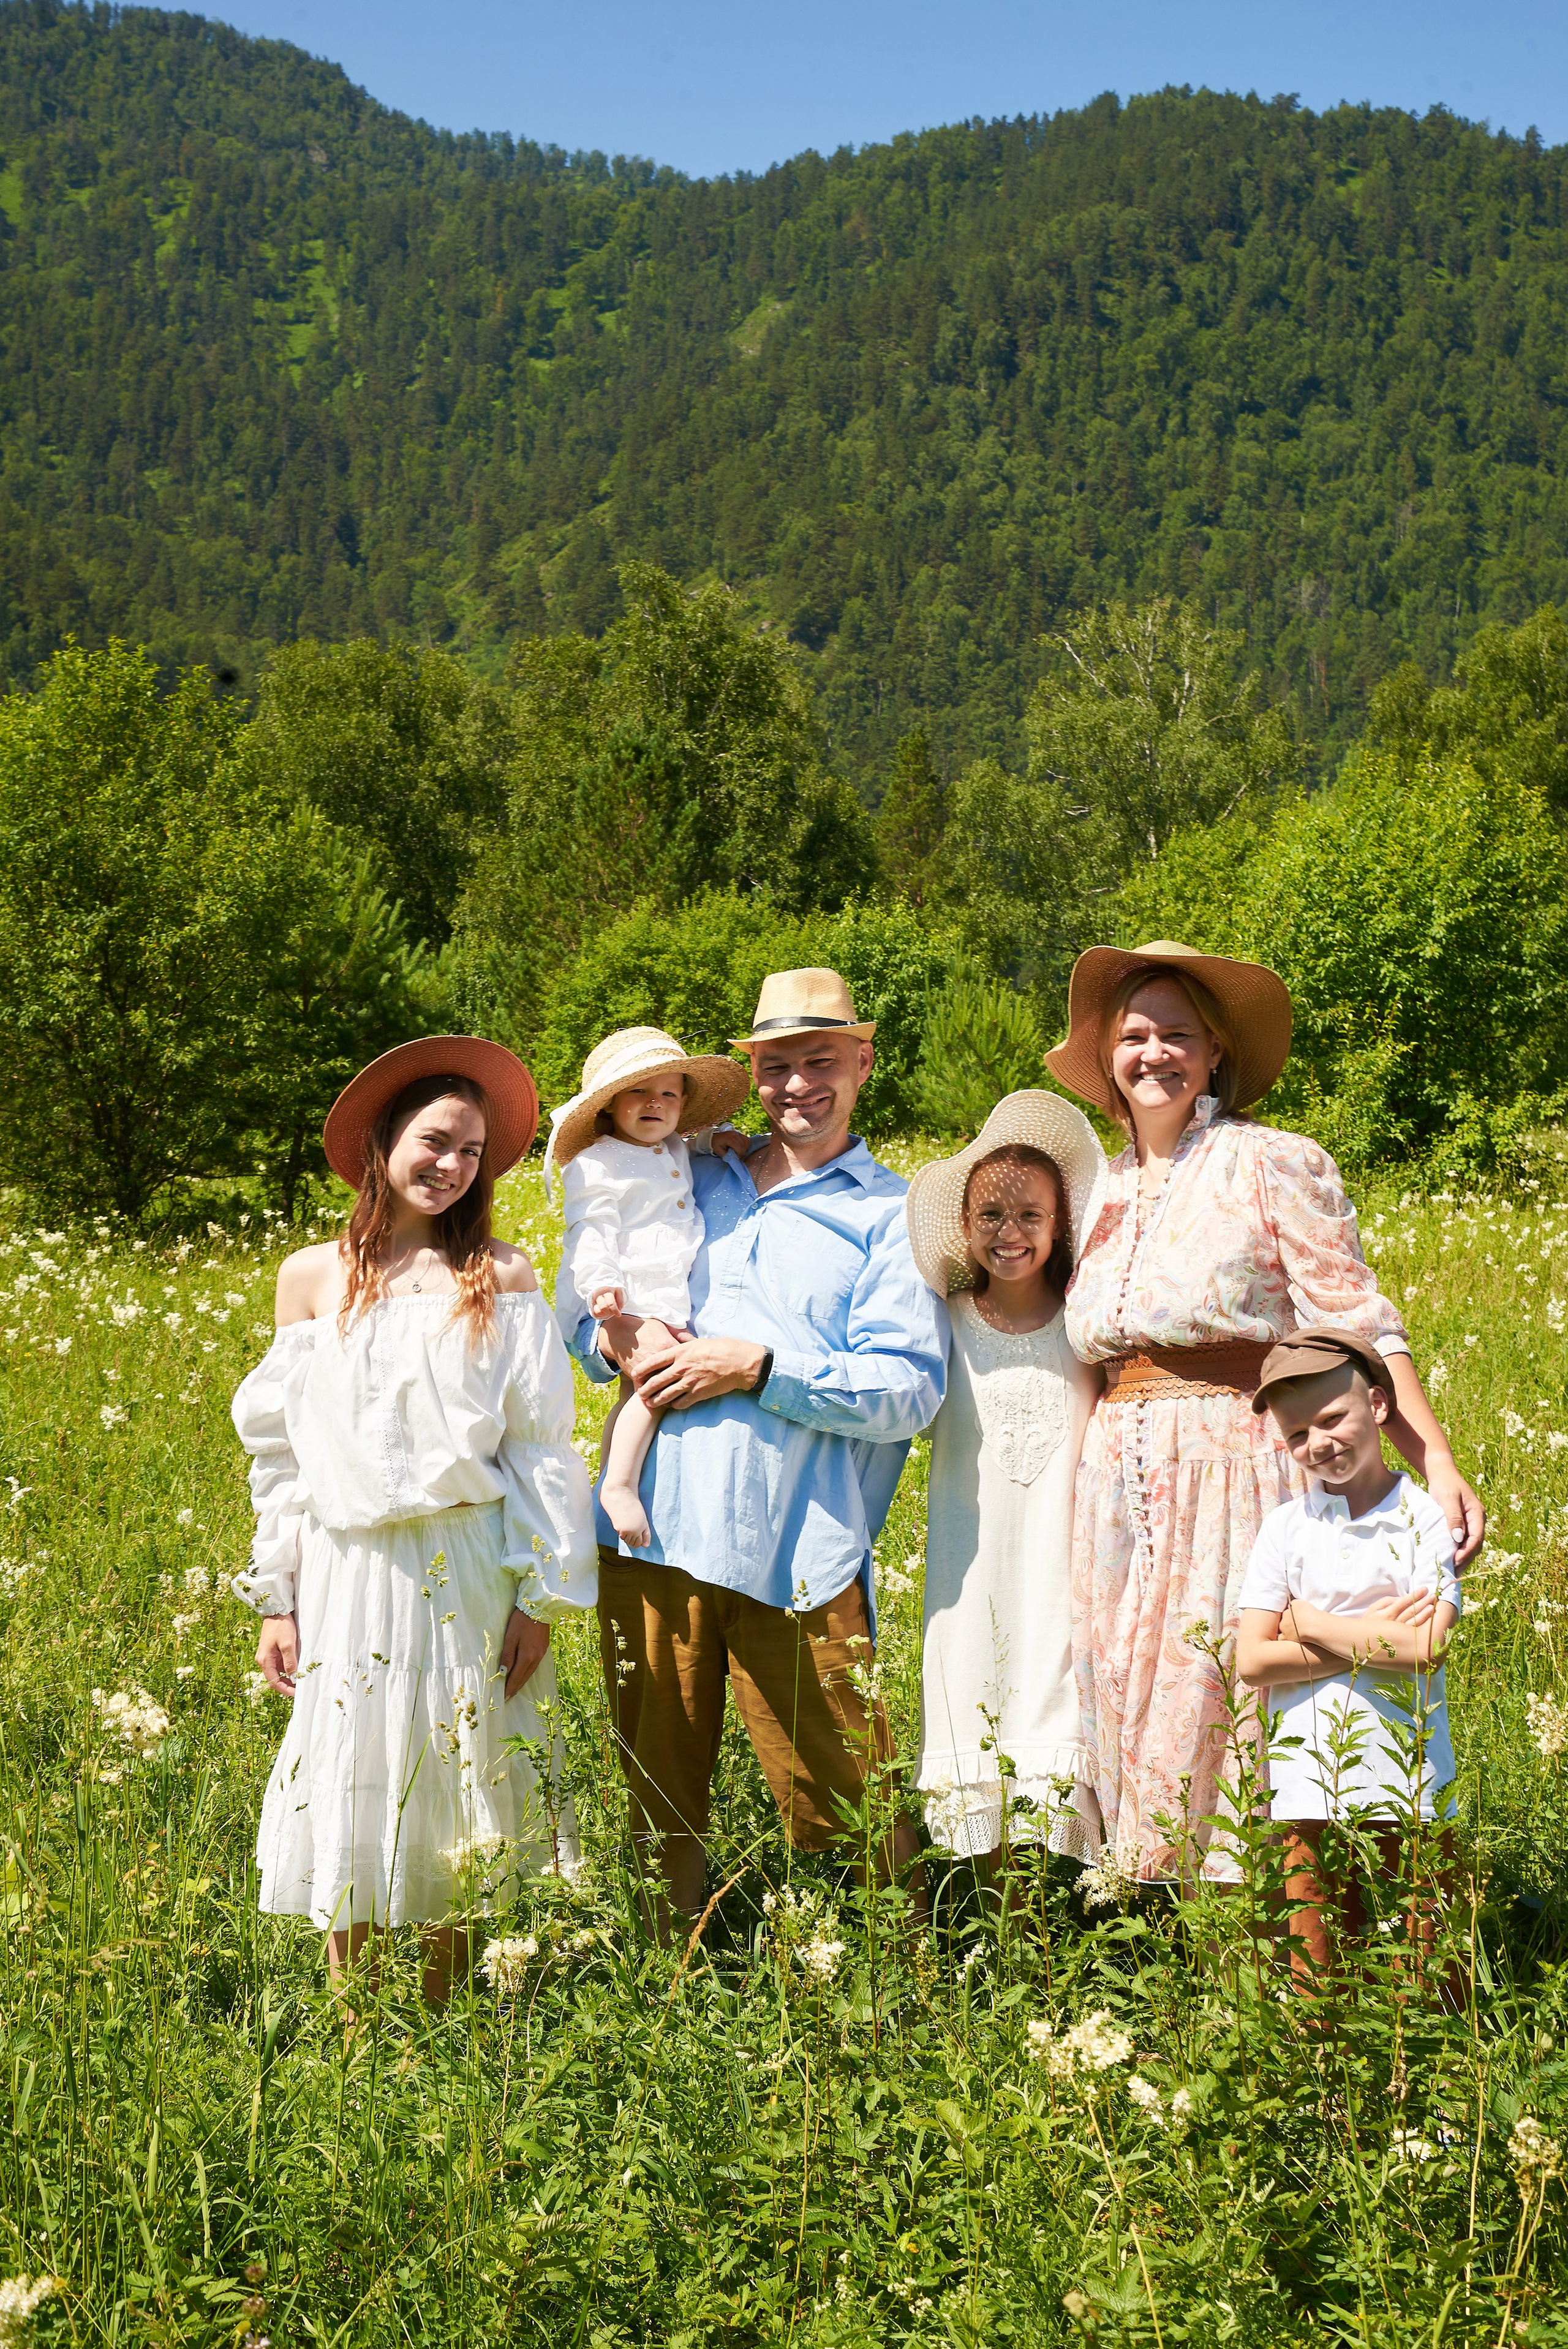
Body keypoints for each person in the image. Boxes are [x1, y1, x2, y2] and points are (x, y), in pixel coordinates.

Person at [1047, 940, 1482, 1885]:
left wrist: (1436, 1460)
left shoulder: (1273, 1161)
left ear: (1213, 1054)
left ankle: (1270, 1924)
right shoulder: (1095, 1188)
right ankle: (1153, 1915)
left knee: (1226, 1692)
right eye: (1133, 1036)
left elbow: (1358, 1324)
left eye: (1177, 1034)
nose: (1153, 1052)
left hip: (1236, 1459)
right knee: (1125, 1678)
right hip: (1115, 1477)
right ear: (1109, 1061)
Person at [562, 968, 949, 1930]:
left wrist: (762, 1366)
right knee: (658, 1788)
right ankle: (663, 1984)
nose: (796, 1084)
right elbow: (583, 1305)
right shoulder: (695, 1171)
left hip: (798, 1550)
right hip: (651, 1533)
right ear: (751, 1073)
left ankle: (902, 1985)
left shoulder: (892, 1214)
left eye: (821, 1060)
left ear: (864, 1061)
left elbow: (909, 1390)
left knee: (850, 1789)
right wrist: (606, 1337)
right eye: (776, 1065)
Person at [232, 1037, 598, 2003]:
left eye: (473, 1150)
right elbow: (282, 1457)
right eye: (437, 1140)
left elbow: (539, 1448)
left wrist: (543, 1593)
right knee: (351, 1768)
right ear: (385, 1141)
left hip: (469, 1564)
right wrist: (279, 1597)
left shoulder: (502, 1273)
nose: (453, 1164)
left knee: (459, 1773)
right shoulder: (310, 1277)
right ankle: (355, 2020)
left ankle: (444, 2011)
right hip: (349, 1569)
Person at [904, 1093, 1107, 1870]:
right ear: (963, 1225)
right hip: (969, 1566)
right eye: (989, 1215)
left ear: (1058, 1226)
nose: (1010, 1233)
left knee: (1052, 1715)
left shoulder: (1086, 1325)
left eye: (1030, 1215)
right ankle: (991, 1927)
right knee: (973, 1704)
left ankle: (1038, 1926)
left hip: (1061, 1565)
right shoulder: (943, 1318)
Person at [1236, 1329, 1460, 1985]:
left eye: (1333, 1418)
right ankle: (1322, 2076)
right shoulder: (1285, 1527)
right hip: (1307, 1776)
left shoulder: (1421, 1518)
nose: (1318, 1443)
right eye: (1298, 1434)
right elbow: (1252, 1660)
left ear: (1381, 1406)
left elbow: (1426, 1647)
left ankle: (1432, 2076)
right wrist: (1365, 1639)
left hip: (1407, 1772)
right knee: (1316, 1943)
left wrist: (1310, 1623)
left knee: (1424, 1944)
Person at [545, 1027, 750, 1548]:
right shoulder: (597, 1161)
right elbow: (591, 1228)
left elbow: (687, 1141)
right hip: (623, 1290)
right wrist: (603, 1283)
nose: (655, 1103)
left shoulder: (674, 1144)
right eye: (638, 1092)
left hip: (661, 1290)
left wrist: (714, 1140)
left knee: (638, 1389)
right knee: (654, 1385)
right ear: (610, 1106)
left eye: (669, 1094)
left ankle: (616, 1476)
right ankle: (618, 1484)